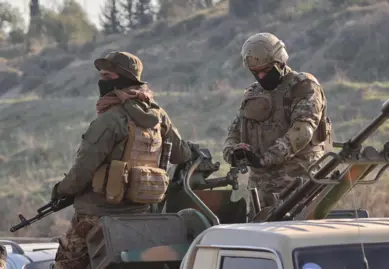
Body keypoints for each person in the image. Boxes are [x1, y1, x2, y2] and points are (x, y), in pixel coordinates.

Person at [50, 51, 194, 269]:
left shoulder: (109, 121)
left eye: (108, 77)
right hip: (140, 216)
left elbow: (82, 172)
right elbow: (181, 154)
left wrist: (60, 191)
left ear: (125, 79)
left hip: (96, 214)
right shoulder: (158, 116)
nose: (102, 82)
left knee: (64, 265)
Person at [223, 32, 331, 209]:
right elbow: (235, 130)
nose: (261, 77)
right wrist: (233, 153)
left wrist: (266, 158)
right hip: (261, 190)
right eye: (255, 73)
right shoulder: (254, 93)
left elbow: (303, 131)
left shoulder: (303, 86)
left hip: (298, 186)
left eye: (266, 71)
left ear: (280, 62)